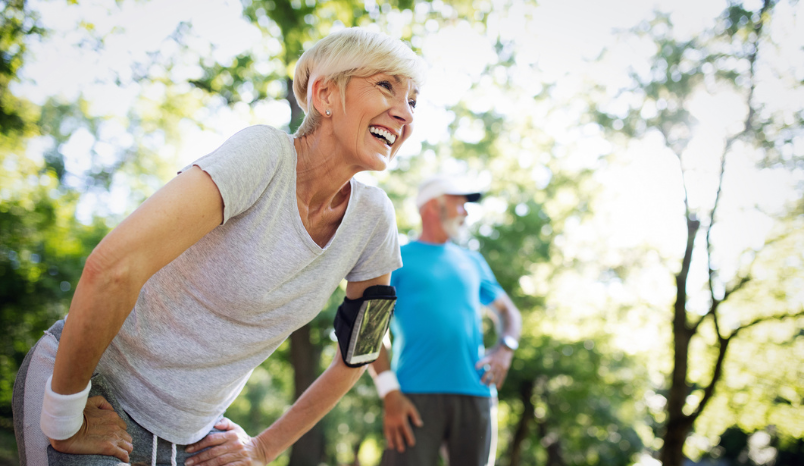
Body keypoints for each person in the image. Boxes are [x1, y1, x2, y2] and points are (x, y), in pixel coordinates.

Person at [13, 28, 425, 466]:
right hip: (88, 399)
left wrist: (264, 447)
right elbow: (114, 268)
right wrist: (63, 420)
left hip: (194, 439)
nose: (405, 114)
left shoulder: (374, 221)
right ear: (325, 94)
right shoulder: (264, 155)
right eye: (386, 87)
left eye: (414, 102)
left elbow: (359, 352)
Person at [369, 174, 522, 466]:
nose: (466, 212)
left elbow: (509, 312)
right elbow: (370, 329)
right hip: (413, 397)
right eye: (459, 204)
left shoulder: (472, 261)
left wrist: (505, 348)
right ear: (432, 206)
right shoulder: (396, 258)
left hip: (475, 392)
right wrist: (389, 392)